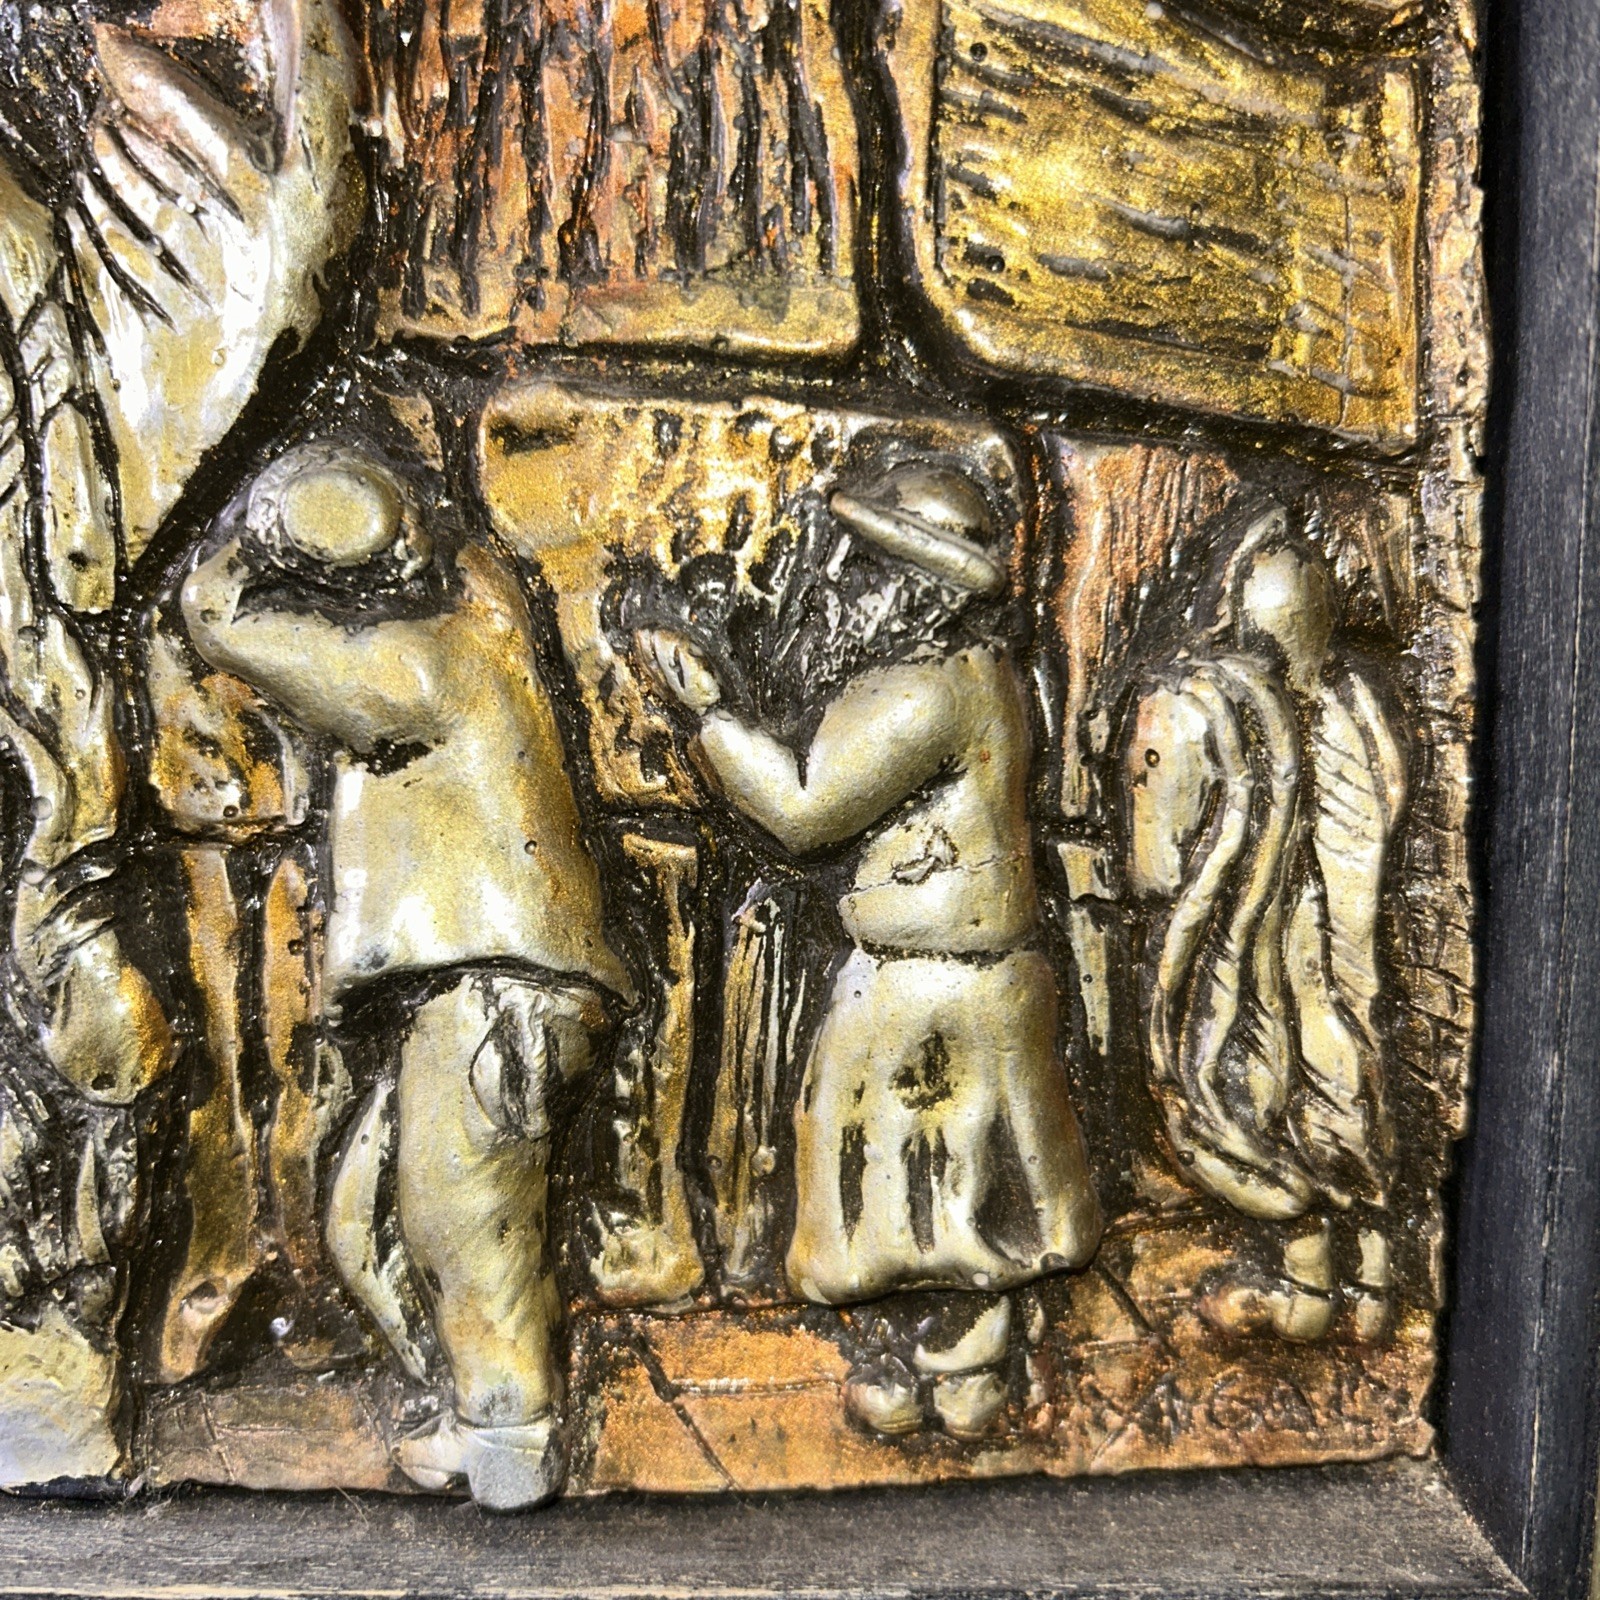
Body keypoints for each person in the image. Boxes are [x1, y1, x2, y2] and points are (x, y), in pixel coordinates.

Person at [182, 440, 633, 1509]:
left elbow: (231, 627)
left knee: (462, 1217)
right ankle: (463, 1405)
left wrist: (242, 559)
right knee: (363, 1223)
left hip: (502, 988)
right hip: (461, 993)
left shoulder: (429, 660)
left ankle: (512, 1437)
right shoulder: (476, 610)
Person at [637, 462, 1101, 1440]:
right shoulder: (983, 675)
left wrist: (708, 711)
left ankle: (963, 1357)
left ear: (909, 587)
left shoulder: (923, 691)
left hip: (935, 982)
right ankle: (921, 1350)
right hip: (947, 972)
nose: (839, 586)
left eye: (860, 568)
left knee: (945, 1178)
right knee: (907, 1179)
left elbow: (802, 810)